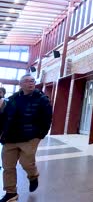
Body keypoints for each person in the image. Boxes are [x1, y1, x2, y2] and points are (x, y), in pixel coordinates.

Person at [0, 74, 52, 202]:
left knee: (26, 162)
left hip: (30, 137)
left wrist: (40, 135)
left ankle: (33, 175)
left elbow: (47, 119)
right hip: (10, 138)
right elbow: (4, 118)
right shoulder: (12, 99)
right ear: (21, 84)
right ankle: (11, 193)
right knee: (8, 167)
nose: (31, 83)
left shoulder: (42, 99)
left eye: (33, 81)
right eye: (27, 81)